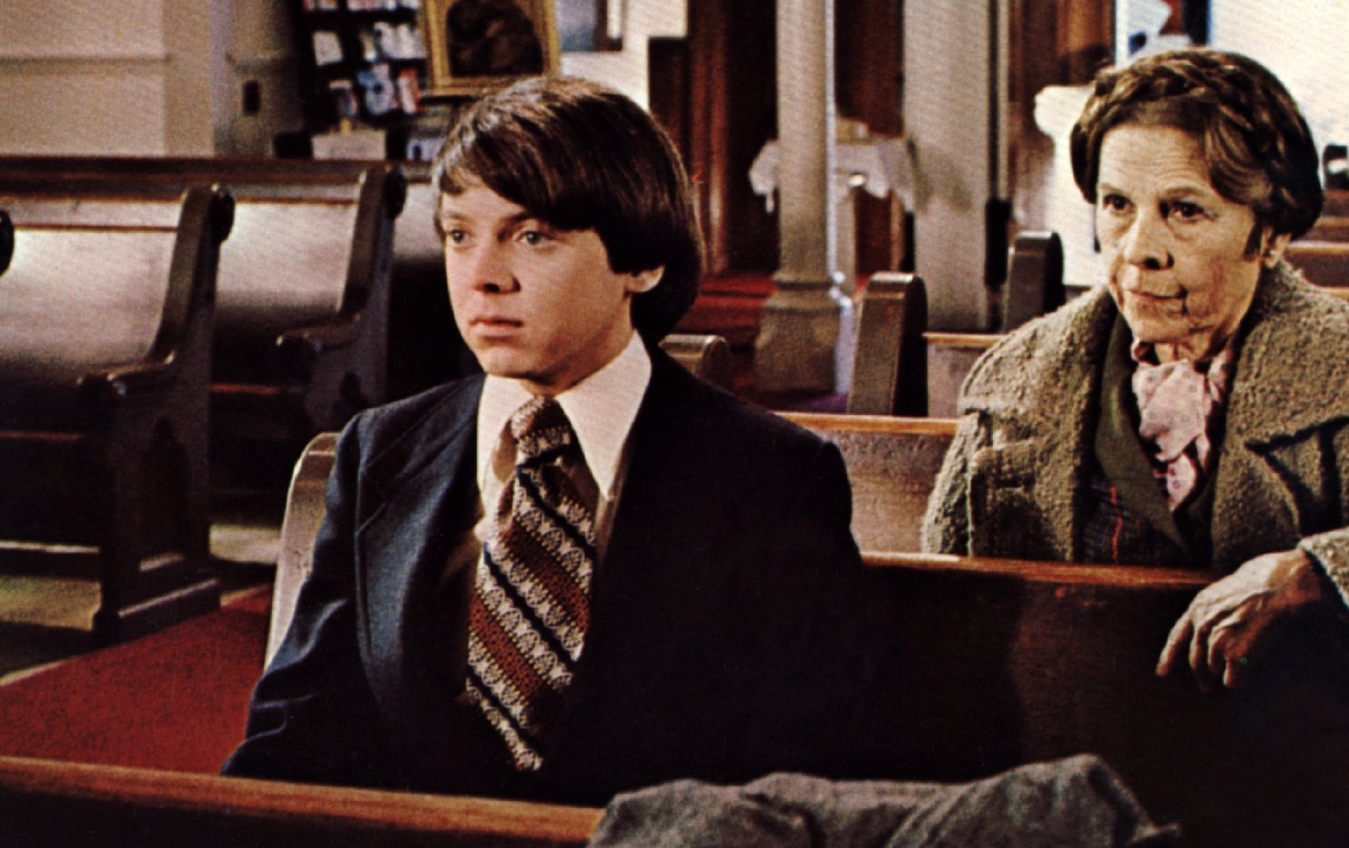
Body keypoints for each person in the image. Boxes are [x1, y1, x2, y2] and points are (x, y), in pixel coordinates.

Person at [225, 75, 882, 804]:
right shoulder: (379, 452)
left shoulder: (774, 478)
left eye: (532, 237)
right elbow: (295, 737)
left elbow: (801, 777)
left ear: (641, 261)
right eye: (459, 235)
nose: (483, 278)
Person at [922, 48, 1349, 726]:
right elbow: (937, 618)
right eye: (1118, 204)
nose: (1137, 248)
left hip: (1296, 784)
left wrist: (1315, 576)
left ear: (1268, 232)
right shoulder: (1013, 382)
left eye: (1184, 210)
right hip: (1067, 751)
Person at [445, 0, 545, 79]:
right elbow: (460, 52)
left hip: (509, 73)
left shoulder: (507, 6)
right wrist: (488, 36)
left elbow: (527, 35)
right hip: (477, 72)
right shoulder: (460, 9)